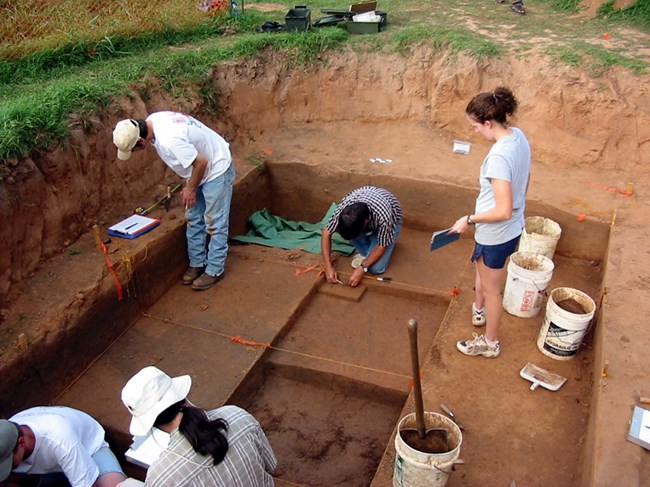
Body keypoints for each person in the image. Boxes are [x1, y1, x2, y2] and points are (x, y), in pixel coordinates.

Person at [112, 112, 235, 291]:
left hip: (216, 168)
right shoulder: (154, 119)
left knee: (215, 222)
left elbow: (202, 163)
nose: (135, 153)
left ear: (140, 141)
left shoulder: (169, 140)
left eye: (133, 149)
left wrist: (191, 188)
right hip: (199, 170)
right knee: (193, 217)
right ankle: (197, 263)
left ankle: (215, 269)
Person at [450, 86, 531, 358]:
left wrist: (469, 219)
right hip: (512, 228)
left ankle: (490, 343)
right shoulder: (518, 137)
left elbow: (503, 209)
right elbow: (524, 181)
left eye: (475, 126)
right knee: (482, 270)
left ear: (488, 122)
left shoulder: (498, 156)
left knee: (493, 290)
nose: (474, 131)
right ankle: (478, 307)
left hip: (495, 233)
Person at [121, 366, 276, 487]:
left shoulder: (161, 477)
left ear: (151, 423)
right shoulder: (237, 415)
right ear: (180, 395)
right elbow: (270, 464)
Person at [0, 406, 126, 487]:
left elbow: (90, 485)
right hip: (48, 470)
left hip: (88, 449)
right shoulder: (6, 433)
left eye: (8, 462)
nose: (7, 467)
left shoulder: (60, 438)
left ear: (22, 442)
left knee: (115, 485)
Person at [321, 186, 403, 288]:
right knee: (350, 231)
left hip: (393, 219)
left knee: (375, 268)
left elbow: (382, 246)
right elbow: (326, 233)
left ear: (365, 223)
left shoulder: (384, 217)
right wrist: (328, 267)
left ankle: (384, 239)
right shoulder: (344, 212)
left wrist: (362, 268)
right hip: (368, 214)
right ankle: (368, 250)